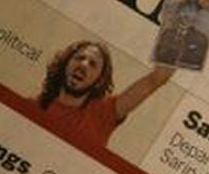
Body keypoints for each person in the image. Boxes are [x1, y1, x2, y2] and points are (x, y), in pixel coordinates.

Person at [35, 40, 174, 147]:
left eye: (92, 64)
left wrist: (183, 27)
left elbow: (157, 79)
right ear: (66, 63)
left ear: (99, 80)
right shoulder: (35, 106)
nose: (83, 64)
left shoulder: (104, 112)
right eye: (79, 58)